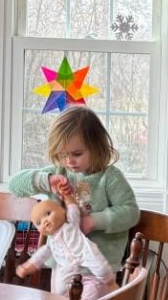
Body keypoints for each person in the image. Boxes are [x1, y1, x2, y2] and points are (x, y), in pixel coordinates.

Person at [9, 106, 139, 275]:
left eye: (77, 154)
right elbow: (14, 186)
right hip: (61, 264)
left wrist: (94, 221)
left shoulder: (110, 177)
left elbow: (130, 212)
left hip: (98, 268)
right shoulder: (57, 173)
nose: (69, 161)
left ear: (97, 147)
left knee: (91, 294)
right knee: (59, 294)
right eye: (63, 155)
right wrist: (47, 181)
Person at [15, 194, 118, 300]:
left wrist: (67, 196)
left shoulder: (72, 224)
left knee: (101, 269)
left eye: (48, 213)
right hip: (66, 264)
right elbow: (39, 256)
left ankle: (111, 284)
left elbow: (73, 209)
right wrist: (27, 267)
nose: (45, 221)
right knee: (59, 288)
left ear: (62, 211)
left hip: (85, 253)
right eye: (39, 222)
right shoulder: (51, 243)